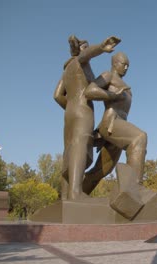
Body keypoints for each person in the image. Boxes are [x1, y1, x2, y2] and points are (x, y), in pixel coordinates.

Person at [53, 35, 122, 200]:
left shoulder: (67, 69)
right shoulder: (79, 61)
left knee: (69, 151)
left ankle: (65, 196)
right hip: (83, 110)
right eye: (87, 48)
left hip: (69, 113)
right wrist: (101, 47)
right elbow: (85, 55)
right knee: (80, 146)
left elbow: (57, 96)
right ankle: (76, 193)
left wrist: (71, 106)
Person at [83, 52, 147, 195]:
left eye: (128, 66)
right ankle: (134, 190)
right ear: (115, 63)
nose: (126, 68)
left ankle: (75, 196)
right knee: (139, 138)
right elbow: (90, 91)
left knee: (103, 170)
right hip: (111, 123)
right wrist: (113, 95)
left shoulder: (126, 86)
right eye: (123, 64)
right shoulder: (108, 76)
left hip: (120, 125)